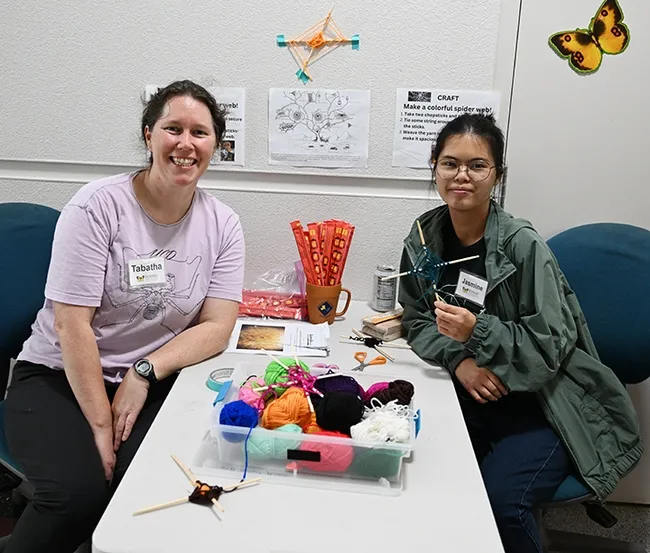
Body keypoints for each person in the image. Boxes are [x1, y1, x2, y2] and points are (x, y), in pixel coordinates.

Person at [3, 80, 245, 553]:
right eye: (173, 128)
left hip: (148, 382)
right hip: (58, 376)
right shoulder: (98, 206)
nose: (186, 143)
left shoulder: (223, 223)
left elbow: (218, 325)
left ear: (217, 144)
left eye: (201, 132)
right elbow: (71, 324)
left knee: (160, 487)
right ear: (149, 134)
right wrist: (98, 425)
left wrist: (144, 371)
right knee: (77, 495)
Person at [398, 113, 642, 553]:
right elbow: (416, 318)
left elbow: (550, 345)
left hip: (545, 404)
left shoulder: (523, 245)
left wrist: (478, 333)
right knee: (421, 472)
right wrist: (461, 361)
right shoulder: (423, 236)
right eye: (450, 163)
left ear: (497, 175)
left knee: (502, 502)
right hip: (472, 392)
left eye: (477, 166)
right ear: (434, 166)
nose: (462, 176)